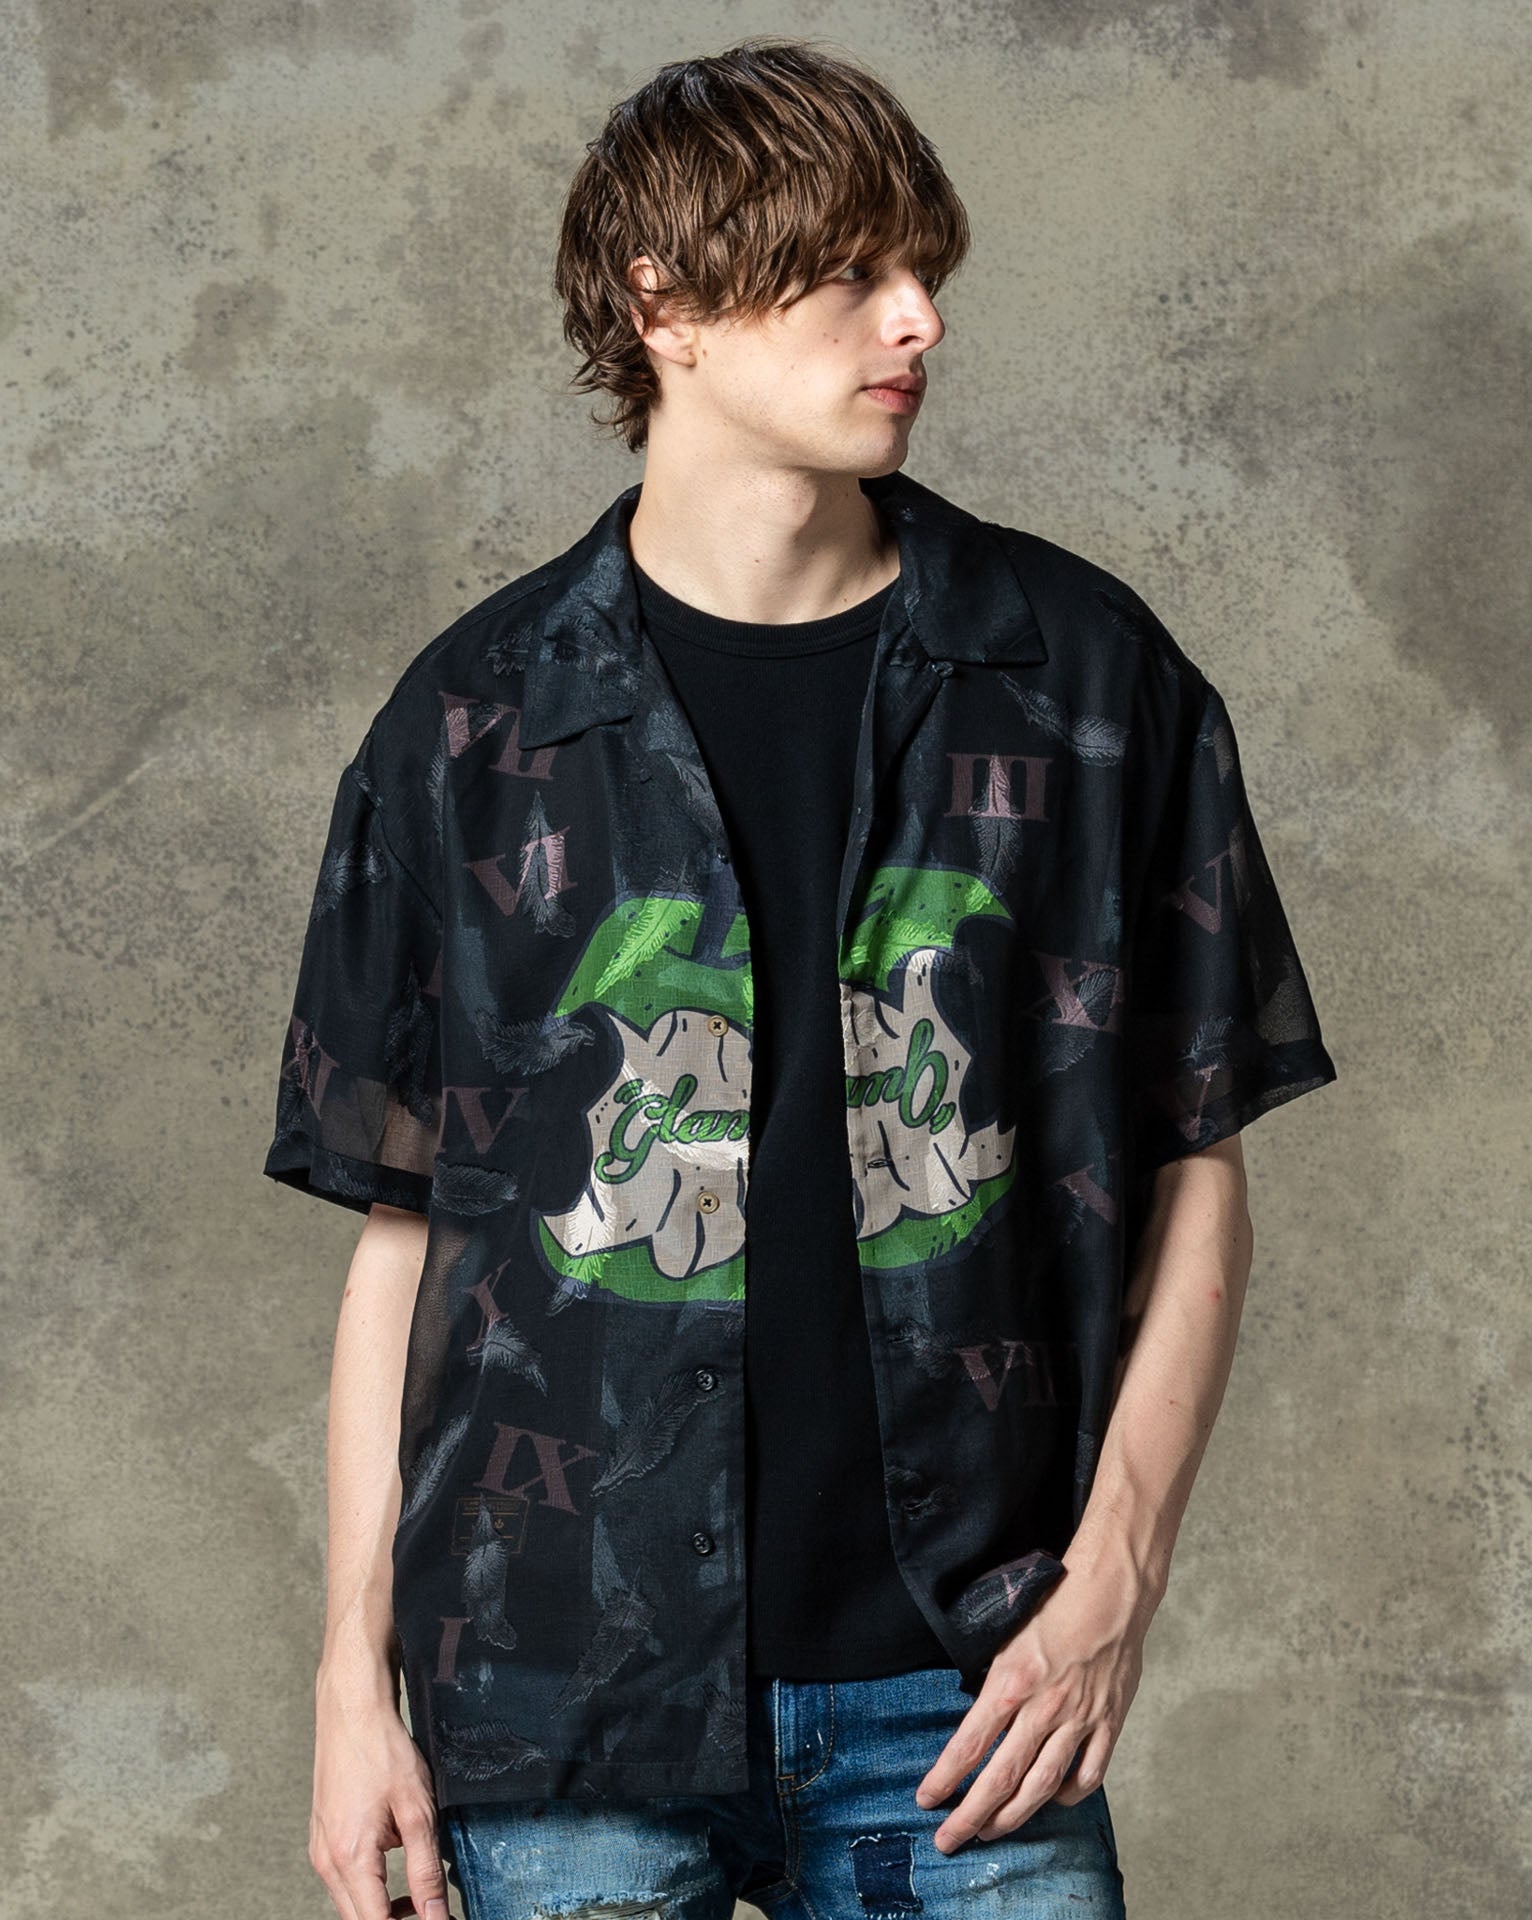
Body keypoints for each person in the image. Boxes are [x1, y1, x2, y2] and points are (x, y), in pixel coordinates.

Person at [264, 35, 1337, 1920]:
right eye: (849, 276)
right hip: (560, 1698)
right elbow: (409, 1237)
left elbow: (1194, 1163)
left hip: (965, 1690)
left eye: (924, 268)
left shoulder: (1087, 682)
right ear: (662, 306)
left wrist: (1116, 1579)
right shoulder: (473, 724)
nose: (918, 319)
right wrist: (353, 1683)